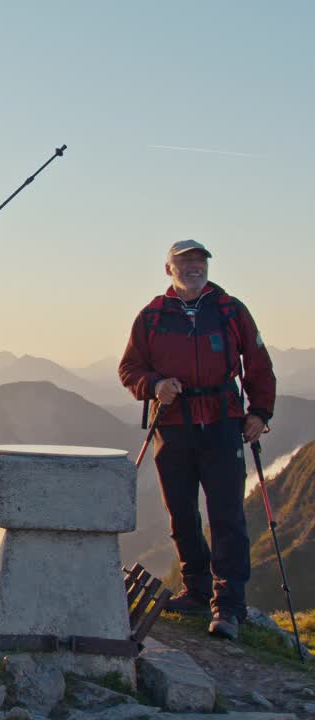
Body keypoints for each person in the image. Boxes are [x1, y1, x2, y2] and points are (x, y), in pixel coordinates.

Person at [118, 239, 275, 641]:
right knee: (182, 513)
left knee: (227, 515)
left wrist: (259, 413)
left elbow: (258, 364)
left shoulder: (229, 310)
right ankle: (197, 591)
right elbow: (129, 368)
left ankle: (228, 606)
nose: (194, 267)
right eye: (184, 261)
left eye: (199, 261)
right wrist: (154, 385)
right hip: (173, 424)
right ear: (168, 268)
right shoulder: (151, 316)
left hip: (223, 423)